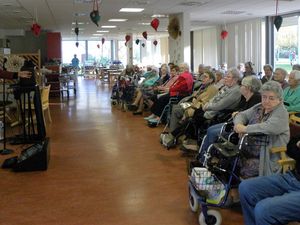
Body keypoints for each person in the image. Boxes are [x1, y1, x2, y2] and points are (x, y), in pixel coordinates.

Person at [239, 134, 300, 225]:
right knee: (245, 188)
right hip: (293, 177)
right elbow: (290, 147)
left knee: (263, 210)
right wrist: (297, 145)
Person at [234, 80, 290, 177]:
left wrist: (245, 129)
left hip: (266, 155)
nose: (267, 101)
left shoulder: (282, 113)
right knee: (226, 159)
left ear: (280, 100)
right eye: (264, 97)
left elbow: (268, 127)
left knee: (240, 167)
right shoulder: (260, 107)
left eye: (271, 98)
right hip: (246, 149)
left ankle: (240, 189)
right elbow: (242, 115)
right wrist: (238, 125)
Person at [200, 75, 262, 155]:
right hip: (233, 123)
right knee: (210, 129)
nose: (240, 87)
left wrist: (237, 114)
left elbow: (249, 117)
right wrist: (237, 114)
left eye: (242, 85)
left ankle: (207, 157)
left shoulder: (256, 98)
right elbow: (238, 111)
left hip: (241, 128)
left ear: (248, 88)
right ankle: (203, 156)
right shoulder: (244, 97)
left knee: (212, 132)